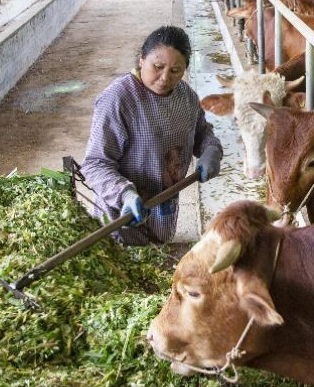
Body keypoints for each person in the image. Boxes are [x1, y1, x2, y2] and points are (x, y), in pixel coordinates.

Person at [82, 26, 223, 245]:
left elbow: (203, 133)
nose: (165, 78)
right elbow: (95, 164)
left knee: (156, 254)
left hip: (163, 211)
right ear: (141, 60)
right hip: (122, 216)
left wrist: (211, 150)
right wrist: (124, 194)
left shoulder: (185, 96)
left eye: (176, 71)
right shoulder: (118, 99)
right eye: (157, 67)